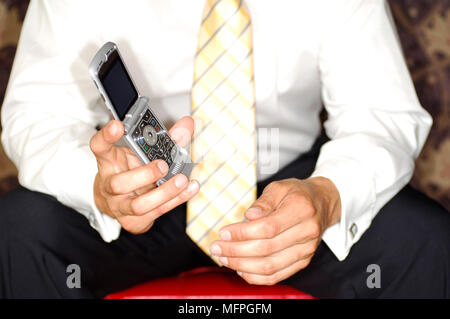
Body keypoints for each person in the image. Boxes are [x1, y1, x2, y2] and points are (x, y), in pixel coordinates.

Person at [1, 0, 449, 298]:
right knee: (19, 231)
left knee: (424, 240)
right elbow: (38, 112)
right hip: (142, 189)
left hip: (290, 188)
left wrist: (327, 198)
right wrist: (100, 189)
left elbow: (382, 111)